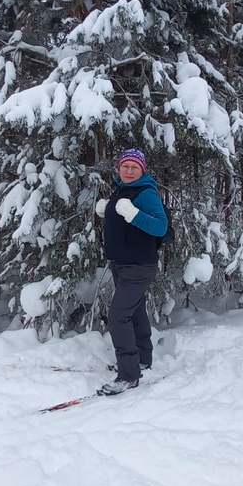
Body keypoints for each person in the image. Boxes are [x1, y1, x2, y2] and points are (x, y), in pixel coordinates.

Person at [95, 148, 167, 395]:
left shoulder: (146, 193)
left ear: (142, 170)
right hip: (122, 264)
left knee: (118, 316)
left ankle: (128, 375)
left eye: (134, 167)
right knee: (135, 311)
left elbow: (160, 227)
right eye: (124, 166)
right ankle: (143, 359)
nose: (128, 171)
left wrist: (133, 214)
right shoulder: (122, 189)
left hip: (139, 265)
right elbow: (125, 223)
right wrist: (109, 212)